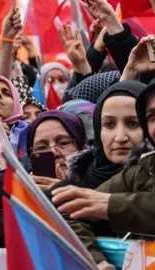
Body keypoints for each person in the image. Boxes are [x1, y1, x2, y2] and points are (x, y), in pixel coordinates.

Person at [52, 79, 155, 267]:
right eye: (152, 118)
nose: (120, 137)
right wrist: (97, 261)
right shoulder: (141, 170)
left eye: (133, 123)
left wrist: (112, 206)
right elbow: (68, 213)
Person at [47, 80, 145, 198]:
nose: (120, 137)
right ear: (98, 130)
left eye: (133, 124)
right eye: (109, 124)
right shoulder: (68, 190)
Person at [26, 111, 87, 190]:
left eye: (63, 142)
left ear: (80, 146)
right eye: (41, 147)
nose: (53, 152)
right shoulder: (20, 196)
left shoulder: (101, 185)